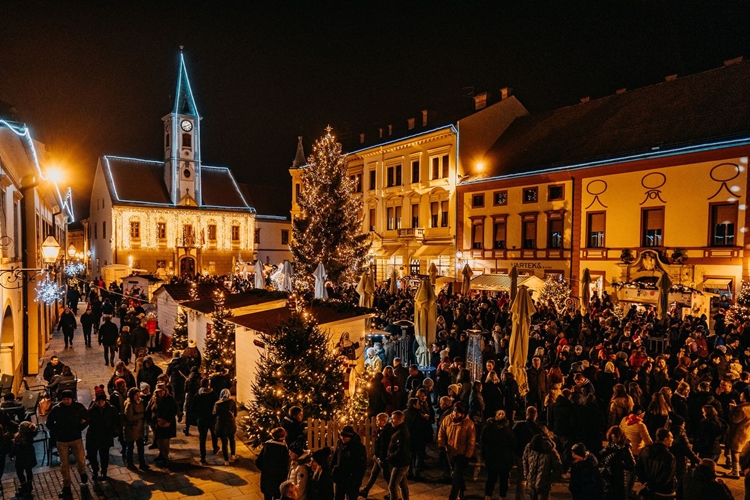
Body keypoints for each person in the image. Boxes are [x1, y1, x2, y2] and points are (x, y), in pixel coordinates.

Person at [45, 389, 89, 497]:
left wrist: (80, 427)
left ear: (72, 399)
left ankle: (82, 472)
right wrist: (57, 431)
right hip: (62, 440)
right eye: (64, 399)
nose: (66, 401)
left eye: (68, 399)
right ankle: (66, 486)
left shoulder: (78, 407)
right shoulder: (57, 409)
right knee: (64, 464)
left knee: (80, 459)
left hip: (76, 438)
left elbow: (87, 418)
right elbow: (48, 423)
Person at [437, 402, 476, 500]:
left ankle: (453, 496)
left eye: (458, 412)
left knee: (456, 476)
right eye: (454, 411)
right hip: (450, 453)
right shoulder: (447, 419)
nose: (455, 414)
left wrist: (467, 456)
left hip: (461, 454)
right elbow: (441, 433)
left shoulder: (468, 424)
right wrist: (441, 446)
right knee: (456, 474)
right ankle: (462, 488)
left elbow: (471, 441)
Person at [481, 409, 516, 500]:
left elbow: (482, 440)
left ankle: (488, 496)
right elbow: (513, 443)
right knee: (503, 479)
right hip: (504, 458)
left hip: (491, 457)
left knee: (491, 478)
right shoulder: (508, 429)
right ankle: (502, 497)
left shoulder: (488, 427)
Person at [86, 391, 119, 479]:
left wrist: (113, 431)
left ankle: (104, 471)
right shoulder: (91, 410)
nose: (100, 403)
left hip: (105, 436)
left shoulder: (111, 409)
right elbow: (87, 420)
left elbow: (115, 421)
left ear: (105, 401)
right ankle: (95, 470)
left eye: (102, 401)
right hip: (93, 436)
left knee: (104, 455)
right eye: (99, 401)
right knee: (92, 454)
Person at [636, 428, 677, 499]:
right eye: (671, 437)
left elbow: (639, 468)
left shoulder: (645, 450)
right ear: (666, 439)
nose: (672, 440)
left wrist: (646, 483)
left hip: (648, 490)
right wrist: (653, 487)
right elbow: (666, 477)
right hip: (663, 492)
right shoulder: (669, 457)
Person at [359, 412, 392, 499]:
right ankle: (366, 490)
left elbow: (383, 446)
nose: (377, 422)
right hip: (378, 458)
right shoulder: (381, 431)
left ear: (383, 421)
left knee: (387, 476)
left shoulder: (384, 432)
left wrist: (380, 457)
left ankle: (393, 492)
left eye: (378, 420)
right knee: (374, 474)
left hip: (382, 458)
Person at [599, 426, 636, 500]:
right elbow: (601, 457)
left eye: (616, 438)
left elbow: (632, 465)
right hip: (609, 477)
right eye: (613, 438)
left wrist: (621, 464)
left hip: (620, 478)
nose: (615, 440)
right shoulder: (610, 447)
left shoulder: (625, 449)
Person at [523, 432, 562, 500]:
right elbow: (525, 460)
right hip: (531, 483)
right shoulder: (530, 447)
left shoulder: (551, 452)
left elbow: (558, 468)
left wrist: (549, 480)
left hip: (544, 485)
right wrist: (526, 474)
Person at [332, 425, 367, 500]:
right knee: (338, 496)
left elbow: (362, 466)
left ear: (350, 437)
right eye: (342, 436)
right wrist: (332, 467)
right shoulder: (340, 443)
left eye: (345, 437)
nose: (343, 438)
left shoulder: (358, 447)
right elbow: (336, 455)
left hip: (352, 479)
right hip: (340, 477)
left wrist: (357, 480)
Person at [148, 382, 178, 464]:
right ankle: (161, 454)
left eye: (162, 391)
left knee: (165, 441)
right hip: (157, 424)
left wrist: (167, 420)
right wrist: (150, 420)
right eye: (159, 391)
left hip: (166, 424)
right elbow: (149, 409)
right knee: (159, 440)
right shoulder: (154, 399)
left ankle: (165, 456)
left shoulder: (169, 399)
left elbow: (174, 410)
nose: (161, 393)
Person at [257, 427, 289, 500]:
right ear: (282, 437)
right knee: (277, 496)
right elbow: (285, 465)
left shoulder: (266, 445)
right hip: (278, 479)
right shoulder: (283, 449)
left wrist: (265, 469)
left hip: (267, 477)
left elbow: (258, 462)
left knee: (267, 496)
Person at [193, 378, 219, 464]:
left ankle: (202, 456)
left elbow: (193, 407)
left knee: (202, 438)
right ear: (208, 385)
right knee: (214, 434)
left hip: (201, 419)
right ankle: (215, 448)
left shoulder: (197, 395)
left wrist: (197, 416)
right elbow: (216, 406)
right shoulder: (213, 395)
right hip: (211, 418)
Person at [726, 387, 750, 478]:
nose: (741, 395)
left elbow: (735, 419)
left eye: (742, 394)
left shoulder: (743, 408)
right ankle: (744, 470)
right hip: (747, 432)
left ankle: (735, 471)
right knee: (744, 453)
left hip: (739, 433)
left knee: (735, 452)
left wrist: (732, 410)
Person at [386, 410, 410, 500]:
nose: (391, 421)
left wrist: (391, 456)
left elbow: (401, 450)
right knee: (403, 485)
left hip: (400, 463)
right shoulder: (398, 429)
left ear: (400, 420)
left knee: (392, 486)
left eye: (393, 419)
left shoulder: (402, 433)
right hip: (401, 462)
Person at [123, 387, 148, 470]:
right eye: (136, 395)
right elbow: (129, 417)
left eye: (138, 394)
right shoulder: (129, 404)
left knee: (141, 446)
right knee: (130, 447)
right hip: (131, 429)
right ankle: (129, 463)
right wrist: (141, 415)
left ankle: (142, 462)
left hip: (139, 429)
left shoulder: (140, 402)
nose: (138, 396)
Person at [11, 421, 37, 498]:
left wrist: (11, 455)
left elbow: (14, 449)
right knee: (29, 471)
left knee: (20, 472)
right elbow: (35, 430)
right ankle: (29, 485)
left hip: (20, 459)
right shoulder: (31, 436)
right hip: (29, 457)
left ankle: (24, 485)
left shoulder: (18, 439)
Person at [213, 388, 237, 465]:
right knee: (232, 439)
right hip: (230, 423)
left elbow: (214, 414)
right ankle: (233, 455)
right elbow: (235, 413)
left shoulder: (217, 403)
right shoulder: (232, 402)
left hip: (221, 424)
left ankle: (226, 460)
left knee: (224, 443)